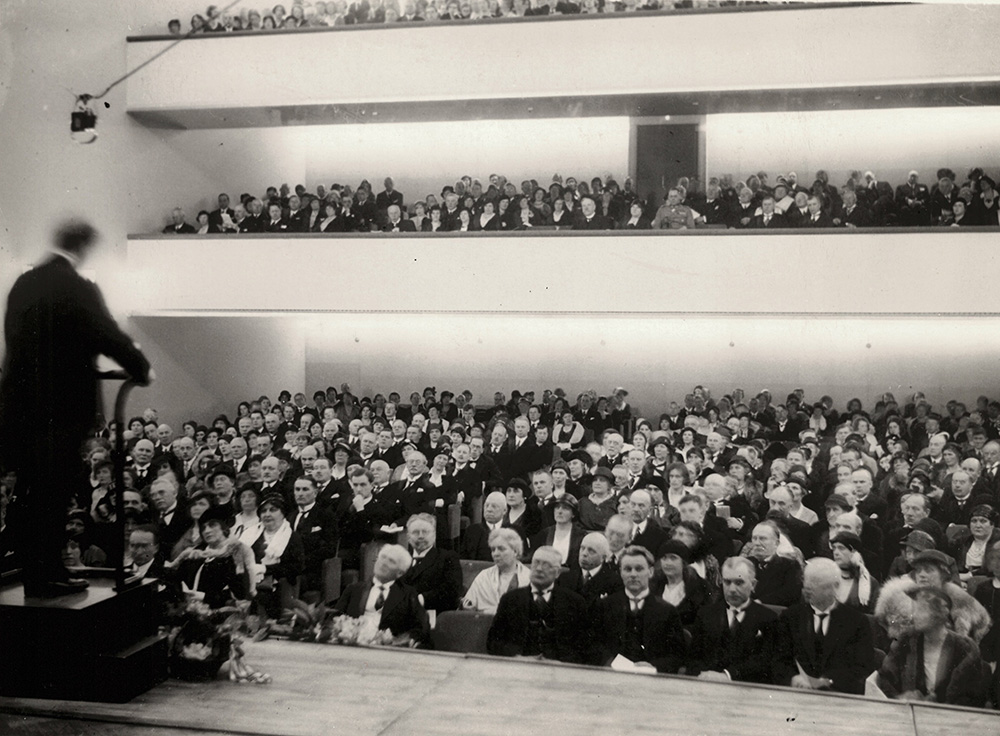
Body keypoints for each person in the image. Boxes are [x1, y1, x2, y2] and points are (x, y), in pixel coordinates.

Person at [0, 221, 152, 597]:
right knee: (55, 493)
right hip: (62, 409)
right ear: (83, 247)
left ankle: (38, 571)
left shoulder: (25, 283)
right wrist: (139, 366)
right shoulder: (78, 286)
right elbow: (106, 332)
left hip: (21, 408)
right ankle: (49, 574)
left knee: (33, 492)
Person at [773, 557, 875, 694]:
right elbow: (778, 660)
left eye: (816, 582)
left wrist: (828, 682)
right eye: (806, 580)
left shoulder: (856, 622)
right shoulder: (790, 617)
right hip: (796, 695)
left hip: (838, 697)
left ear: (836, 586)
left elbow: (862, 668)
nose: (807, 587)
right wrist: (793, 679)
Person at [877, 588, 988, 706]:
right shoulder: (905, 641)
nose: (914, 616)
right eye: (913, 610)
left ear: (940, 614)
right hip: (907, 713)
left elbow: (973, 696)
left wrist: (936, 703)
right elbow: (885, 678)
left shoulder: (965, 648)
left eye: (921, 610)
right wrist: (900, 697)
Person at [590, 545, 687, 672]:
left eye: (639, 569)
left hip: (652, 681)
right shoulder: (605, 606)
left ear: (650, 572)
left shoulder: (667, 611)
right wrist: (610, 663)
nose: (633, 574)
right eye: (627, 569)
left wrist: (654, 667)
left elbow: (677, 655)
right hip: (612, 676)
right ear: (620, 572)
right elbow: (593, 645)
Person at [686, 556, 779, 683]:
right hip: (707, 685)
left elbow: (765, 662)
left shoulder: (768, 618)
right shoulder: (706, 614)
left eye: (739, 583)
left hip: (747, 690)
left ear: (753, 584)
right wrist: (705, 675)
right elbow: (693, 658)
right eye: (727, 582)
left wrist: (727, 675)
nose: (732, 589)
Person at [487, 546, 587, 662]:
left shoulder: (575, 603)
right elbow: (493, 642)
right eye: (536, 563)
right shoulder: (510, 600)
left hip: (559, 671)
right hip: (518, 668)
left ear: (558, 573)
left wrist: (560, 662)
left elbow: (584, 647)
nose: (539, 569)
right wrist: (517, 658)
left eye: (546, 565)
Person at [332, 544, 430, 646]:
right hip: (353, 646)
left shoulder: (408, 594)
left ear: (400, 573)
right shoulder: (353, 589)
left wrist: (398, 641)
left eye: (391, 561)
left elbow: (421, 628)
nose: (383, 563)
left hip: (387, 651)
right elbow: (335, 617)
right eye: (382, 557)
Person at [398, 513, 462, 613]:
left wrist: (420, 599)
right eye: (415, 532)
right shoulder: (400, 559)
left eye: (425, 532)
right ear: (408, 537)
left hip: (434, 615)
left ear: (434, 534)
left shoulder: (447, 557)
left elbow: (452, 592)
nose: (420, 536)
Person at [462, 527, 531, 613]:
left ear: (515, 551)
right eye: (493, 550)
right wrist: (468, 608)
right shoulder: (484, 576)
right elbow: (468, 607)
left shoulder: (530, 578)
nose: (496, 554)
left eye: (501, 549)